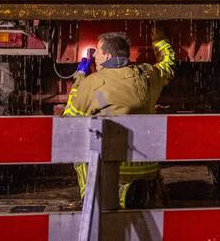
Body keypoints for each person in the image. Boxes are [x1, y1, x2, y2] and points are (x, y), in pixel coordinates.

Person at [63, 29, 175, 207]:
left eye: (97, 52)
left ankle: (93, 196)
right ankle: (137, 191)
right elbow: (168, 64)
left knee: (81, 144)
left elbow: (69, 120)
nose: (96, 57)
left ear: (107, 56)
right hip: (146, 165)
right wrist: (159, 37)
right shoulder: (148, 74)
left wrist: (80, 77)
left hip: (113, 167)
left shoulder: (90, 83)